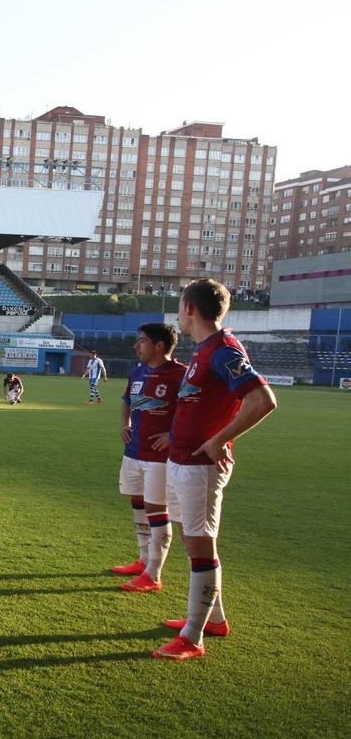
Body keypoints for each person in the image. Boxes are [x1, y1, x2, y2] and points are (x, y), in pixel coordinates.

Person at [153, 279, 277, 661]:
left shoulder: (223, 350)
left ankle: (193, 637)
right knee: (195, 541)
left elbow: (263, 400)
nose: (177, 314)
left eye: (179, 306)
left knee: (199, 545)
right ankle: (214, 619)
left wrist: (220, 439)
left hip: (200, 467)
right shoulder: (205, 351)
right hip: (181, 461)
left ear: (190, 308)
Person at [110, 323, 187, 592]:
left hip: (160, 456)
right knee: (138, 504)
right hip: (134, 450)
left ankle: (153, 574)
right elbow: (126, 401)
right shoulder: (137, 372)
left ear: (159, 346)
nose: (136, 345)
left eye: (141, 341)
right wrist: (125, 423)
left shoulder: (181, 375)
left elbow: (191, 412)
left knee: (157, 510)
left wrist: (171, 434)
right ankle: (143, 560)